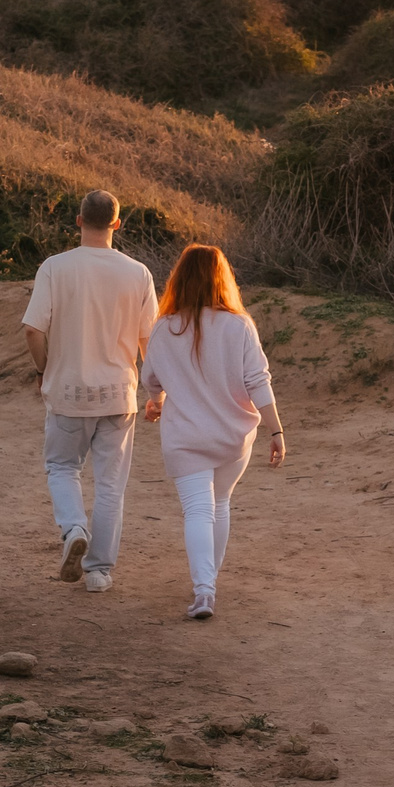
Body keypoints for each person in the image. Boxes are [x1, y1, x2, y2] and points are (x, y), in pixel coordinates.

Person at [139, 244, 287, 620]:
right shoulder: (238, 325)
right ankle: (209, 584)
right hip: (231, 436)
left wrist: (155, 402)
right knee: (218, 504)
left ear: (179, 278)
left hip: (185, 438)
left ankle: (204, 590)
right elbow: (259, 381)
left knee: (198, 510)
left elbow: (150, 379)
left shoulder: (164, 327)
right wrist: (276, 431)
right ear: (222, 278)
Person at [21, 190, 158, 593]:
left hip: (67, 390)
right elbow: (150, 340)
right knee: (111, 484)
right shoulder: (139, 273)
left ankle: (73, 529)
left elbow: (32, 329)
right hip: (119, 394)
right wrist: (156, 392)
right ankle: (99, 571)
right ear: (117, 224)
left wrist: (42, 369)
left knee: (63, 468)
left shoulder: (54, 267)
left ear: (78, 220)